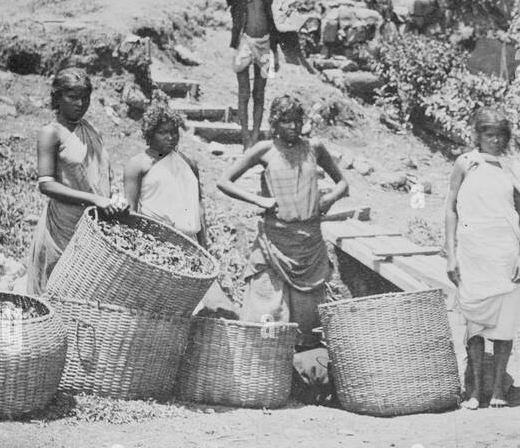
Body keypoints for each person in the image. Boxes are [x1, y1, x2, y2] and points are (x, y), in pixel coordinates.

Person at [218, 95, 351, 350]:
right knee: (267, 308)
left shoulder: (315, 149)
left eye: (297, 121)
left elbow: (343, 183)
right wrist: (258, 200)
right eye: (286, 121)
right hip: (275, 244)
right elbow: (224, 181)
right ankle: (264, 363)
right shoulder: (264, 150)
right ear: (275, 123)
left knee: (307, 316)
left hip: (308, 245)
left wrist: (329, 199)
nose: (293, 126)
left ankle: (303, 368)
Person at [445, 109, 520, 409]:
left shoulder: (512, 168)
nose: (495, 141)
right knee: (474, 323)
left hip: (505, 255)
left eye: (500, 136)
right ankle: (475, 390)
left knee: (504, 325)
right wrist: (451, 254)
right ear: (478, 135)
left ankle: (497, 390)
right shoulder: (465, 164)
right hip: (473, 254)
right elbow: (451, 210)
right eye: (489, 134)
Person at [28, 68, 126, 295]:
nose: (80, 103)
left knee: (89, 292)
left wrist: (114, 197)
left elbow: (102, 172)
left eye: (85, 97)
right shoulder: (51, 133)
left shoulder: (90, 129)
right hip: (64, 224)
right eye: (72, 97)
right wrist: (95, 199)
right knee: (57, 288)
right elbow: (46, 184)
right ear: (57, 98)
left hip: (94, 223)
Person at [123, 96, 207, 247]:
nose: (170, 137)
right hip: (155, 243)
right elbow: (131, 211)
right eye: (162, 132)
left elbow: (199, 207)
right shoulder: (138, 165)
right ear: (150, 133)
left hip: (190, 244)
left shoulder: (188, 163)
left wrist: (204, 247)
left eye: (174, 132)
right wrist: (135, 246)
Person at [225, 0, 281, 148]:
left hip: (265, 44)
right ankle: (245, 137)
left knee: (259, 93)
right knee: (244, 93)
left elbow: (272, 24)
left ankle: (256, 135)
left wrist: (276, 53)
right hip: (244, 43)